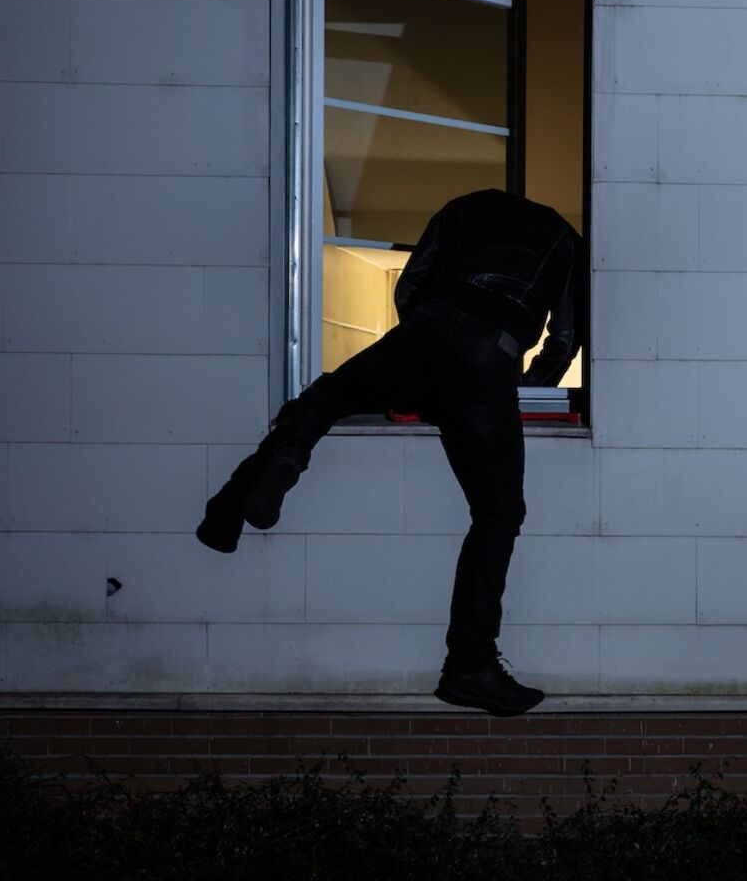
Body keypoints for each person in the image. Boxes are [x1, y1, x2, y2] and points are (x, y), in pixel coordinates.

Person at [196, 188, 581, 716]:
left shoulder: (465, 206)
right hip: (489, 354)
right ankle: (469, 667)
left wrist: (420, 357)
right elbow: (564, 338)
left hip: (426, 330)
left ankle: (234, 505)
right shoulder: (564, 238)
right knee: (498, 513)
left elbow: (413, 282)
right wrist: (526, 388)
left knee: (326, 396)